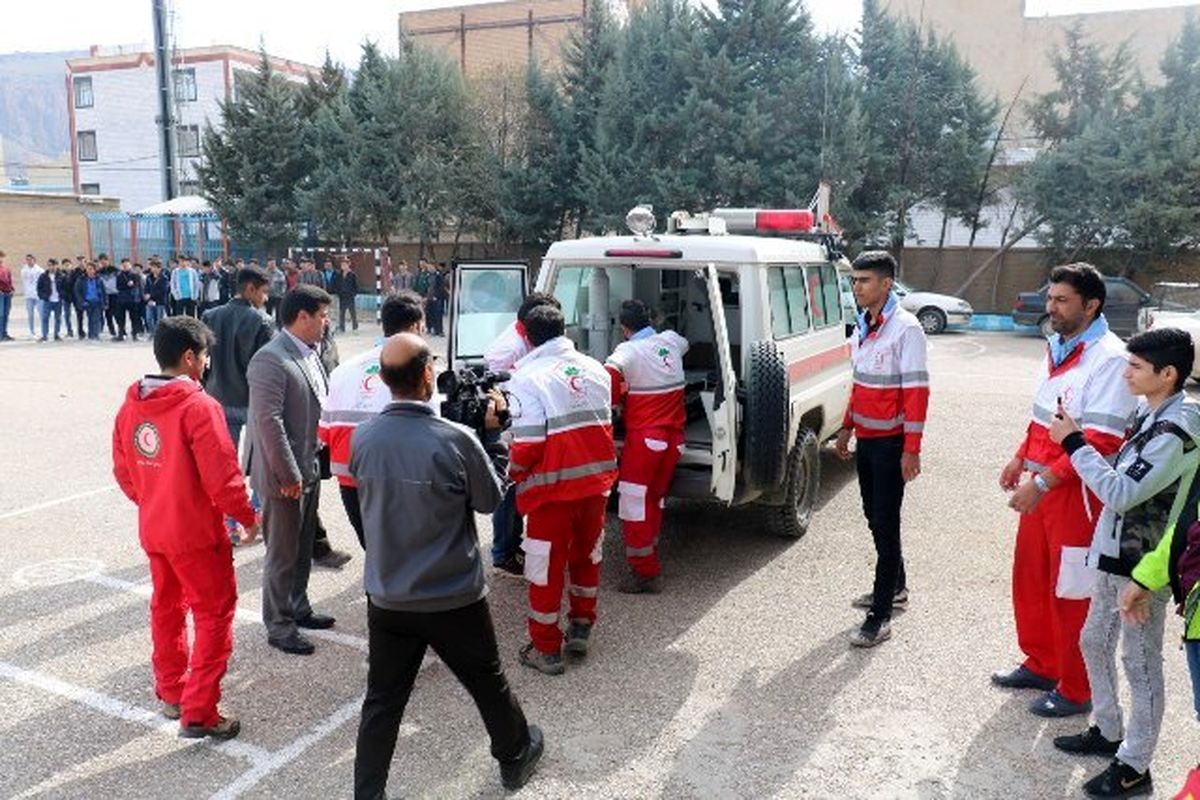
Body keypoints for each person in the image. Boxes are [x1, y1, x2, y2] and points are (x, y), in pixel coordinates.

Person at [350, 332, 543, 798]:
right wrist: (494, 437)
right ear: (426, 376)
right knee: (485, 680)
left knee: (383, 700)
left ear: (383, 380)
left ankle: (368, 793)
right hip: (451, 594)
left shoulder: (363, 436)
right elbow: (490, 498)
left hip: (389, 594)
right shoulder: (455, 439)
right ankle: (514, 755)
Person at [1046, 329, 1199, 798]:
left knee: (1141, 662)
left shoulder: (1178, 429)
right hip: (1115, 552)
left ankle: (1135, 765)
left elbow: (1121, 491)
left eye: (1135, 366)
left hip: (1144, 563)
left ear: (1167, 374)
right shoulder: (1149, 410)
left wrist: (1074, 443)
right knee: (1094, 640)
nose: (1124, 372)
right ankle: (1109, 731)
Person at [993, 263, 1138, 717]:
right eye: (1050, 298)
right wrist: (1021, 455)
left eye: (1061, 300)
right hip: (1042, 490)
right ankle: (1042, 663)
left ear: (1091, 305)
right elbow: (1044, 416)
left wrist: (1042, 480)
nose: (1051, 307)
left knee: (1071, 591)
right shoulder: (1057, 347)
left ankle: (1077, 688)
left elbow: (1101, 439)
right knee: (1032, 579)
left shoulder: (1110, 359)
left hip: (1075, 497)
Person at [111, 315, 260, 740]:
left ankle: (172, 691)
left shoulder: (131, 405)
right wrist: (247, 517)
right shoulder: (199, 406)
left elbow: (124, 471)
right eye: (205, 356)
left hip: (156, 528)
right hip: (196, 534)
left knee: (167, 608)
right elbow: (223, 476)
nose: (207, 364)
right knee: (213, 614)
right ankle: (199, 711)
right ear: (190, 357)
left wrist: (156, 501)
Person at [507, 305, 618, 676]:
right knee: (588, 556)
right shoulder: (596, 368)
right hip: (596, 485)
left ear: (524, 333)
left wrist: (510, 471)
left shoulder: (526, 377)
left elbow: (528, 444)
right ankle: (582, 626)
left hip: (552, 492)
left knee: (544, 568)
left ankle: (546, 648)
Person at [835, 250, 929, 648]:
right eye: (854, 280)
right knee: (874, 517)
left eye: (864, 280)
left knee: (886, 523)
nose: (857, 287)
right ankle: (897, 587)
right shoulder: (865, 324)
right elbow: (860, 382)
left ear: (886, 284)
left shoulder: (906, 329)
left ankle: (880, 616)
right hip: (867, 441)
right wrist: (845, 427)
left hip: (891, 445)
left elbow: (917, 393)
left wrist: (912, 449)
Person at [245, 285, 335, 655]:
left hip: (308, 464)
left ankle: (298, 607)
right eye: (323, 317)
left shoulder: (310, 354)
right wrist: (289, 474)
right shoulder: (271, 359)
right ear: (302, 317)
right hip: (284, 473)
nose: (326, 324)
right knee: (282, 552)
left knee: (301, 548)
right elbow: (268, 421)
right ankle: (279, 625)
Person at [319, 292, 424, 548]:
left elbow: (323, 434)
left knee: (374, 550)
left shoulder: (343, 371)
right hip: (400, 480)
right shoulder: (419, 370)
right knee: (404, 553)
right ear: (414, 327)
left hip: (351, 481)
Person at [603, 299, 689, 594]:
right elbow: (683, 344)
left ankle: (645, 573)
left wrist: (617, 399)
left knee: (633, 503)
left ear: (624, 328)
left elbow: (608, 382)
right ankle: (650, 551)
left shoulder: (627, 351)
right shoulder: (671, 341)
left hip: (645, 440)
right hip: (674, 440)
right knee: (655, 498)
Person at [483, 292, 562, 576]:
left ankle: (511, 544)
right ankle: (503, 552)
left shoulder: (523, 337)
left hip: (523, 416)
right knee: (510, 486)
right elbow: (497, 387)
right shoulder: (510, 348)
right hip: (511, 422)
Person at [202, 267, 275, 546]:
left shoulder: (210, 315)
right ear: (250, 289)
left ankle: (230, 523)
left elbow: (203, 359)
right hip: (251, 400)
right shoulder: (262, 321)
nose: (265, 298)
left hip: (218, 397)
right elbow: (265, 367)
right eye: (264, 291)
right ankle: (255, 515)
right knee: (260, 463)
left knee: (227, 466)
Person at [75, 262, 107, 340]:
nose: (89, 271)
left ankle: (95, 335)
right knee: (90, 319)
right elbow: (77, 291)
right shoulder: (81, 279)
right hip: (87, 302)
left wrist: (105, 302)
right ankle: (91, 334)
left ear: (94, 270)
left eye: (91, 269)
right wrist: (82, 301)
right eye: (88, 269)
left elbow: (104, 292)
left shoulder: (99, 279)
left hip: (97, 302)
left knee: (96, 319)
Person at [35, 259, 65, 341]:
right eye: (49, 265)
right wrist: (42, 296)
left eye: (52, 265)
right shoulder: (43, 276)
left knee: (58, 318)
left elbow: (65, 287)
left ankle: (56, 335)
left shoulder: (61, 275)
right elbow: (39, 288)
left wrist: (62, 295)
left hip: (58, 301)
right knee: (45, 318)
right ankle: (44, 335)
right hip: (47, 300)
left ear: (56, 265)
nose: (50, 267)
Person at [114, 258, 143, 341]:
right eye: (123, 265)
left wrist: (132, 284)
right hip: (121, 300)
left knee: (134, 318)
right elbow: (118, 287)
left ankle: (135, 334)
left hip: (132, 299)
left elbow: (137, 284)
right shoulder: (119, 275)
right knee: (121, 318)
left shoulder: (135, 275)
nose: (125, 267)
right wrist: (127, 285)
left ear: (130, 265)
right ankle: (121, 334)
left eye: (127, 265)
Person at [143, 259, 170, 335]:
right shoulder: (149, 277)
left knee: (159, 320)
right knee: (148, 319)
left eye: (155, 267)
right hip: (149, 301)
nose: (153, 269)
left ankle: (159, 334)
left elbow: (162, 291)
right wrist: (146, 295)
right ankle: (152, 334)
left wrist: (151, 296)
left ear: (159, 268)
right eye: (152, 267)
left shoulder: (164, 278)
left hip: (159, 302)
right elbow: (146, 288)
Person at [21, 254, 43, 339]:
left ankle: (43, 331)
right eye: (27, 260)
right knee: (30, 314)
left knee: (41, 313)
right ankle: (31, 331)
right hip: (28, 296)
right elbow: (24, 281)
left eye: (30, 259)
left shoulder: (40, 270)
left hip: (38, 295)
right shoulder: (24, 270)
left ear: (34, 260)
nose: (28, 261)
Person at [336, 258, 359, 333]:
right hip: (342, 296)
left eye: (344, 264)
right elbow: (337, 284)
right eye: (342, 265)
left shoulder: (352, 275)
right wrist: (338, 292)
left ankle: (355, 327)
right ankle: (342, 328)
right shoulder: (339, 274)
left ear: (348, 264)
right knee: (341, 313)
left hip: (350, 296)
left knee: (352, 312)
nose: (343, 266)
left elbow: (356, 286)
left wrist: (354, 294)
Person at [0, 251, 13, 341]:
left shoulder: (6, 269)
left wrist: (12, 289)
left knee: (6, 314)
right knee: (0, 314)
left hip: (7, 294)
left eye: (2, 257)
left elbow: (9, 280)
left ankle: (4, 333)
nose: (1, 259)